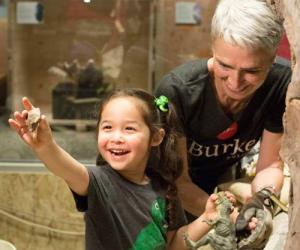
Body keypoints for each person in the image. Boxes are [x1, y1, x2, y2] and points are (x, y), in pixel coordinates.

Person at [8, 89, 237, 250]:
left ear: (156, 137)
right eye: (107, 127)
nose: (116, 138)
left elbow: (173, 244)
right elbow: (65, 168)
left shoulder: (165, 188)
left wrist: (208, 218)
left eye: (129, 129)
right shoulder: (99, 183)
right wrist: (46, 146)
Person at [155, 0, 291, 246]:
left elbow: (270, 164)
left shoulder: (280, 83)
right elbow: (179, 182)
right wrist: (227, 214)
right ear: (212, 48)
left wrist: (260, 202)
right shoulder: (179, 91)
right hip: (171, 191)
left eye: (251, 71)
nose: (235, 83)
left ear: (272, 61)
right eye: (224, 65)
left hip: (222, 183)